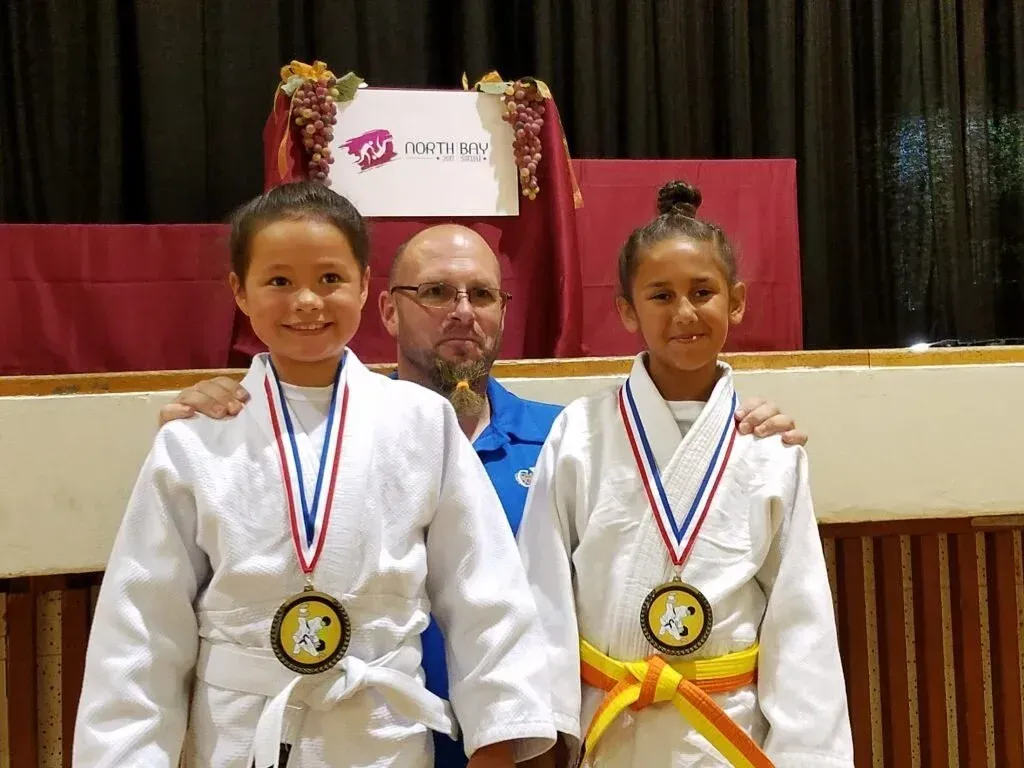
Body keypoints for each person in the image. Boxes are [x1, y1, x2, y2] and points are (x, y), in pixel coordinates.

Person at [159, 223, 810, 767]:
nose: (462, 311)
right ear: (385, 307)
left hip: (528, 749)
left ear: (505, 311)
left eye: (482, 294)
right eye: (436, 292)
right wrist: (220, 424)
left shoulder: (571, 441)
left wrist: (738, 430)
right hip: (372, 740)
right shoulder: (309, 441)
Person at [74, 182, 557, 768]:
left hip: (383, 737)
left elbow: (487, 596)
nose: (306, 300)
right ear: (240, 292)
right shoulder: (196, 439)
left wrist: (497, 739)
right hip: (241, 736)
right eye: (279, 280)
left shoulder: (421, 423)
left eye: (330, 279)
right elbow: (142, 629)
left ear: (363, 287)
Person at [516, 181, 853, 767]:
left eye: (703, 292)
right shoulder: (581, 432)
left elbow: (800, 619)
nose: (685, 313)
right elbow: (543, 592)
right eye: (660, 295)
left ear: (737, 300)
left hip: (726, 733)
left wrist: (808, 755)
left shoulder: (769, 448)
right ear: (626, 309)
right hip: (610, 721)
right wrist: (544, 733)